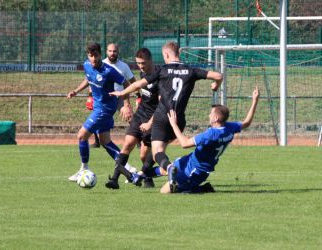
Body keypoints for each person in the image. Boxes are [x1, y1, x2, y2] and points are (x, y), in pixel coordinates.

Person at [109, 41, 223, 187]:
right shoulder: (192, 71)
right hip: (179, 120)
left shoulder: (161, 71)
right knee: (155, 151)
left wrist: (121, 92)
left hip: (162, 116)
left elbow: (138, 85)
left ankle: (169, 168)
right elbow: (218, 76)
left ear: (166, 54)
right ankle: (142, 175)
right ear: (179, 53)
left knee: (157, 152)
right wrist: (216, 86)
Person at [157, 86, 260, 193]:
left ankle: (202, 189)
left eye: (211, 113)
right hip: (191, 160)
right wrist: (255, 101)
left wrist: (173, 124)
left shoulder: (211, 134)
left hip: (197, 171)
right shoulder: (229, 128)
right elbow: (246, 123)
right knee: (165, 169)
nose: (209, 115)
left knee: (165, 191)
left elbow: (184, 143)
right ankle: (142, 174)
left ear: (216, 118)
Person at [67, 42, 135, 182]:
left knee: (82, 136)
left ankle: (84, 169)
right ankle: (128, 168)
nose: (93, 59)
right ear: (88, 55)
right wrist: (76, 91)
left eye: (96, 55)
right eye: (91, 56)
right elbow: (88, 78)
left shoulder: (109, 70)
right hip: (99, 108)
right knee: (105, 141)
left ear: (100, 54)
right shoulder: (87, 65)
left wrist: (127, 103)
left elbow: (127, 84)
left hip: (105, 109)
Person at [105, 48, 160, 189]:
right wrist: (130, 101)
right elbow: (136, 88)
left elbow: (162, 105)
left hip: (154, 117)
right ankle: (114, 180)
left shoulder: (160, 76)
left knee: (143, 155)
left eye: (143, 63)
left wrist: (149, 122)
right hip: (140, 114)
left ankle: (146, 177)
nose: (141, 66)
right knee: (127, 144)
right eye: (138, 63)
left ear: (150, 60)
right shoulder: (143, 73)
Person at [90, 43, 136, 148]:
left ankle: (137, 139)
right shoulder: (100, 64)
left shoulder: (124, 66)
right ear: (106, 52)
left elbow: (132, 82)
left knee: (130, 117)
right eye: (110, 51)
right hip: (105, 98)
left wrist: (137, 96)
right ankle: (97, 141)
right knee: (97, 118)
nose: (112, 53)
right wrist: (90, 95)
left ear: (118, 52)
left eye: (114, 51)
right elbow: (92, 79)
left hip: (120, 97)